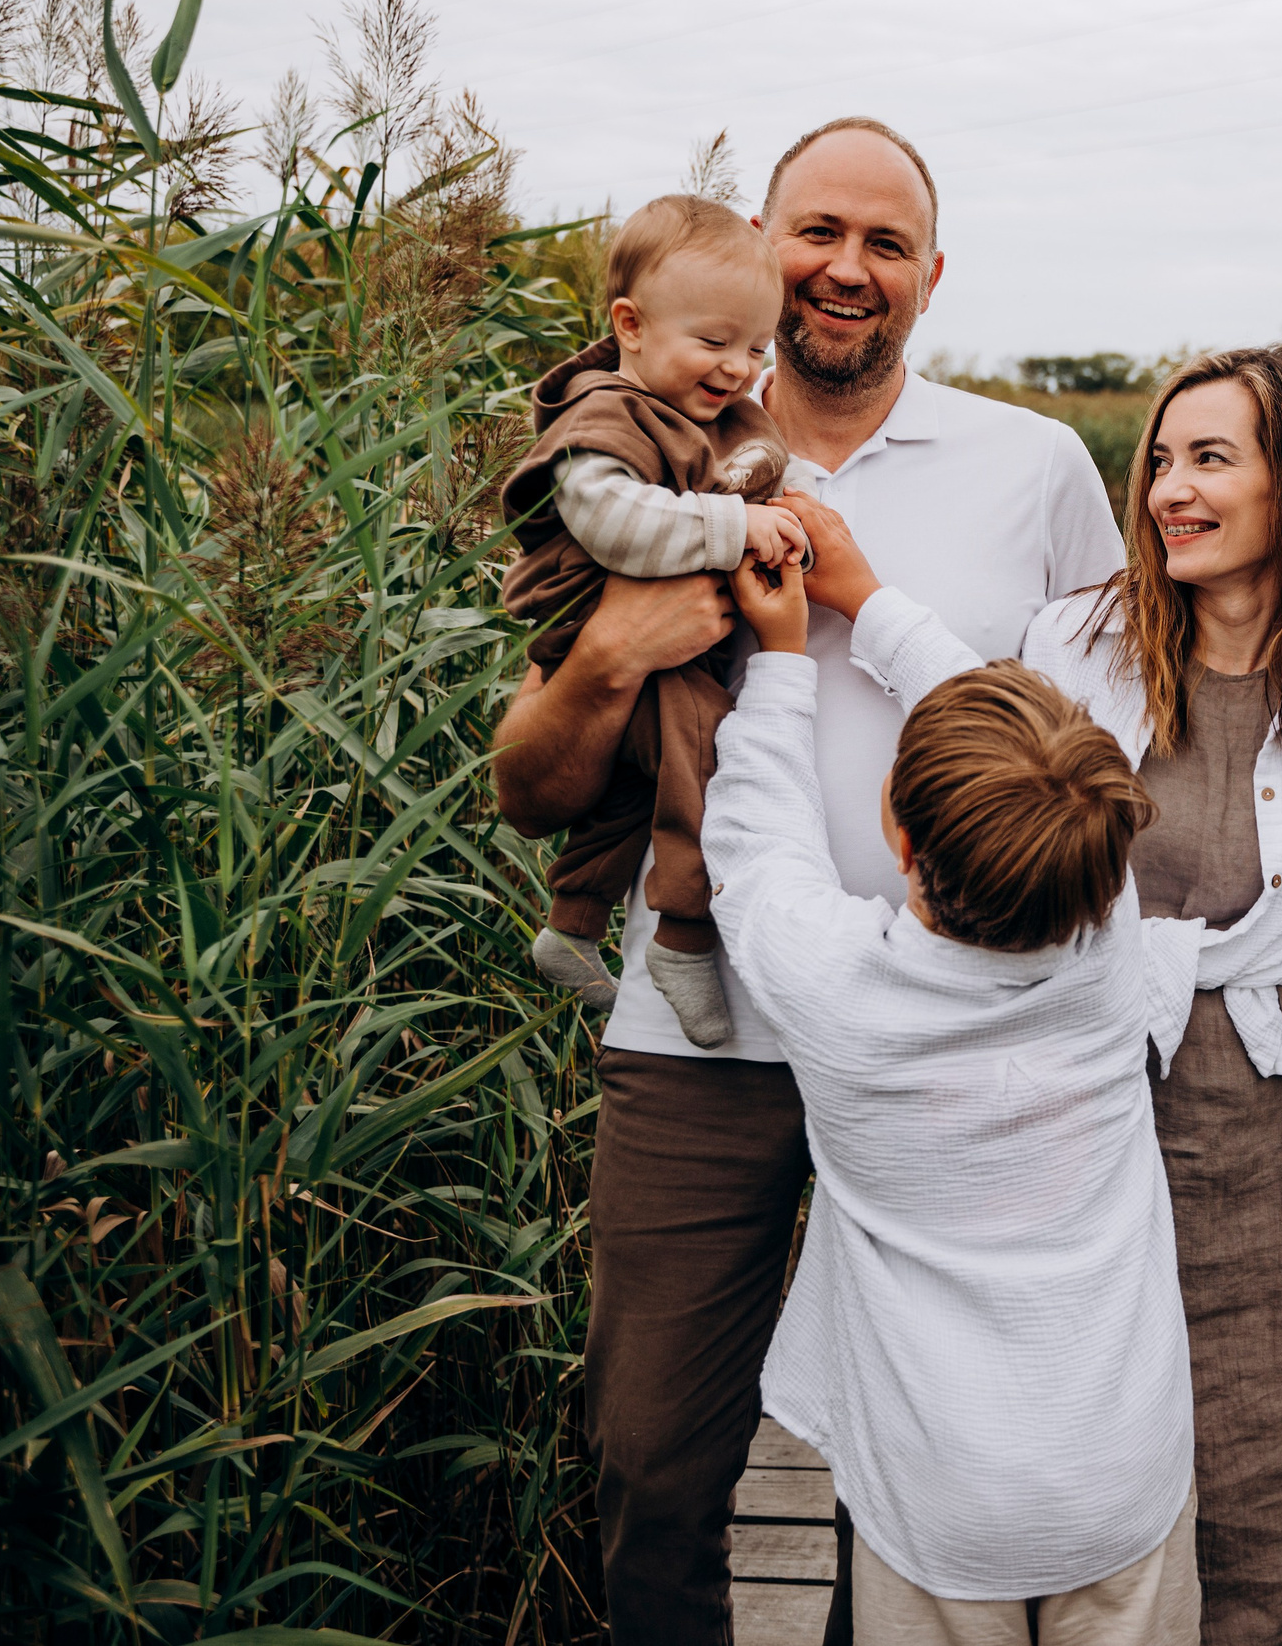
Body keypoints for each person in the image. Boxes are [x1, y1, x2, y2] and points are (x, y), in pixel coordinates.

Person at [489, 117, 1123, 1646]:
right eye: (818, 231)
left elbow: (1103, 753)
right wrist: (609, 651)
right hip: (698, 1028)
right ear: (762, 248)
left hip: (949, 1042)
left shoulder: (1034, 468)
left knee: (913, 1470)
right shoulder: (653, 446)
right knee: (650, 1453)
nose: (848, 267)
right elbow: (530, 789)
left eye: (886, 242)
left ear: (932, 276)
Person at [796, 344, 1282, 1645]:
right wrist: (862, 595)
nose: (1166, 490)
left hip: (1270, 1115)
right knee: (1040, 1421)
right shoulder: (1078, 640)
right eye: (1161, 459)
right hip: (1076, 1088)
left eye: (1210, 459)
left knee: (1269, 1445)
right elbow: (980, 732)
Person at [709, 557, 1200, 1644]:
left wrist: (784, 655)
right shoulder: (1107, 942)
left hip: (937, 1492)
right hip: (1121, 1470)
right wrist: (875, 602)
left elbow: (756, 841)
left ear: (899, 838)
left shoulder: (832, 987)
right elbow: (1045, 771)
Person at [502, 194, 816, 1051]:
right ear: (631, 326)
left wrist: (785, 511)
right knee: (707, 756)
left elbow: (742, 478)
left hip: (670, 643)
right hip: (591, 624)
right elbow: (614, 524)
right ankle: (681, 935)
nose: (738, 368)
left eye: (756, 348)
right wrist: (736, 527)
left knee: (635, 788)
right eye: (714, 342)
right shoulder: (605, 416)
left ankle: (572, 920)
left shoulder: (705, 416)